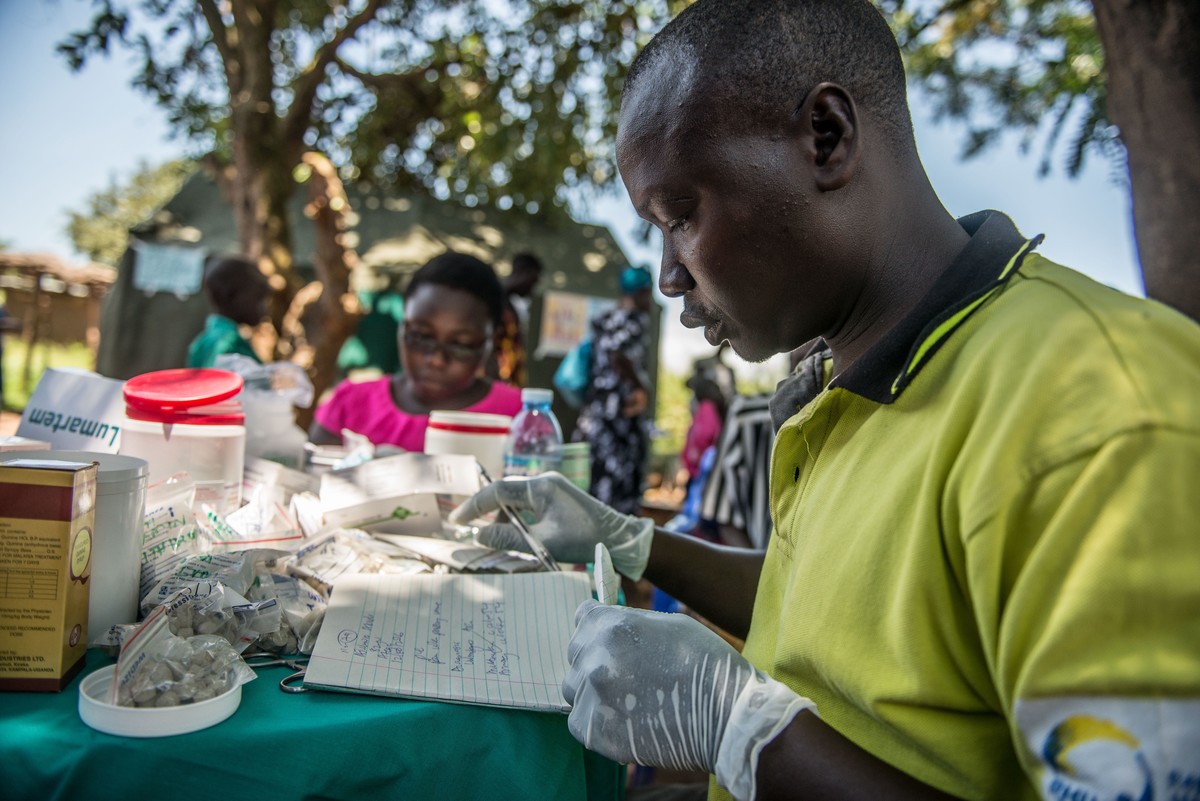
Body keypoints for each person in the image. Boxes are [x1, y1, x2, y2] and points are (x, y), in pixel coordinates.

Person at [449, 1, 1200, 799]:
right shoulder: (855, 383)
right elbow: (818, 606)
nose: (669, 275)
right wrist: (636, 543)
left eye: (679, 216)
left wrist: (740, 730)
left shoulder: (1098, 413)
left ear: (827, 137)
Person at [309, 251, 523, 450]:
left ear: (491, 340)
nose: (437, 360)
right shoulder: (351, 404)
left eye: (461, 344)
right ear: (402, 325)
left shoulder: (521, 417)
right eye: (421, 336)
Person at [572, 264, 655, 516]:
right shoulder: (634, 319)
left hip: (595, 411)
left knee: (594, 473)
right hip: (618, 413)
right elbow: (618, 353)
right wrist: (641, 387)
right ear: (640, 292)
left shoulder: (605, 317)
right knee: (619, 476)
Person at [187, 255, 270, 368]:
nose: (264, 307)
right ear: (231, 296)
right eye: (258, 298)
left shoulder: (200, 344)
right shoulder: (230, 344)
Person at [490, 251, 544, 386]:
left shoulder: (509, 304)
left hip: (508, 384)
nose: (532, 289)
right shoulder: (495, 303)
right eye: (533, 281)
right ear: (524, 273)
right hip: (497, 383)